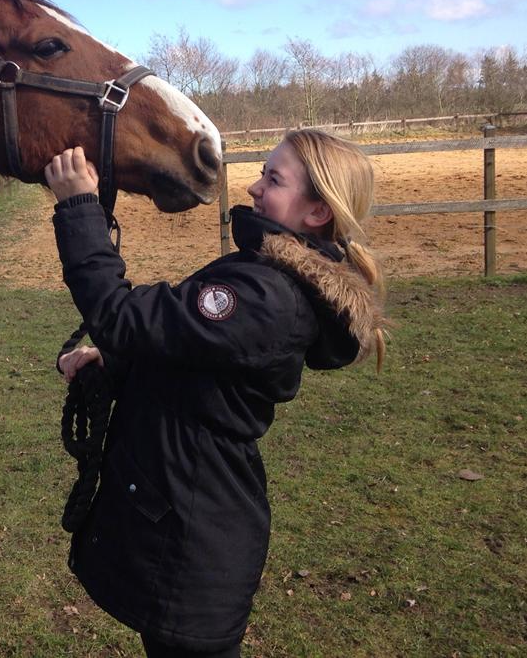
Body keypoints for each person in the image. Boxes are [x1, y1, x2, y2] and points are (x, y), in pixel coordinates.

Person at [44, 128, 387, 657]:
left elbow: (123, 317)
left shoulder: (267, 296)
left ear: (317, 212)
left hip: (192, 548)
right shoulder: (264, 276)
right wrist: (111, 362)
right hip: (187, 527)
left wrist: (79, 209)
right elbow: (188, 352)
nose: (253, 187)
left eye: (273, 179)